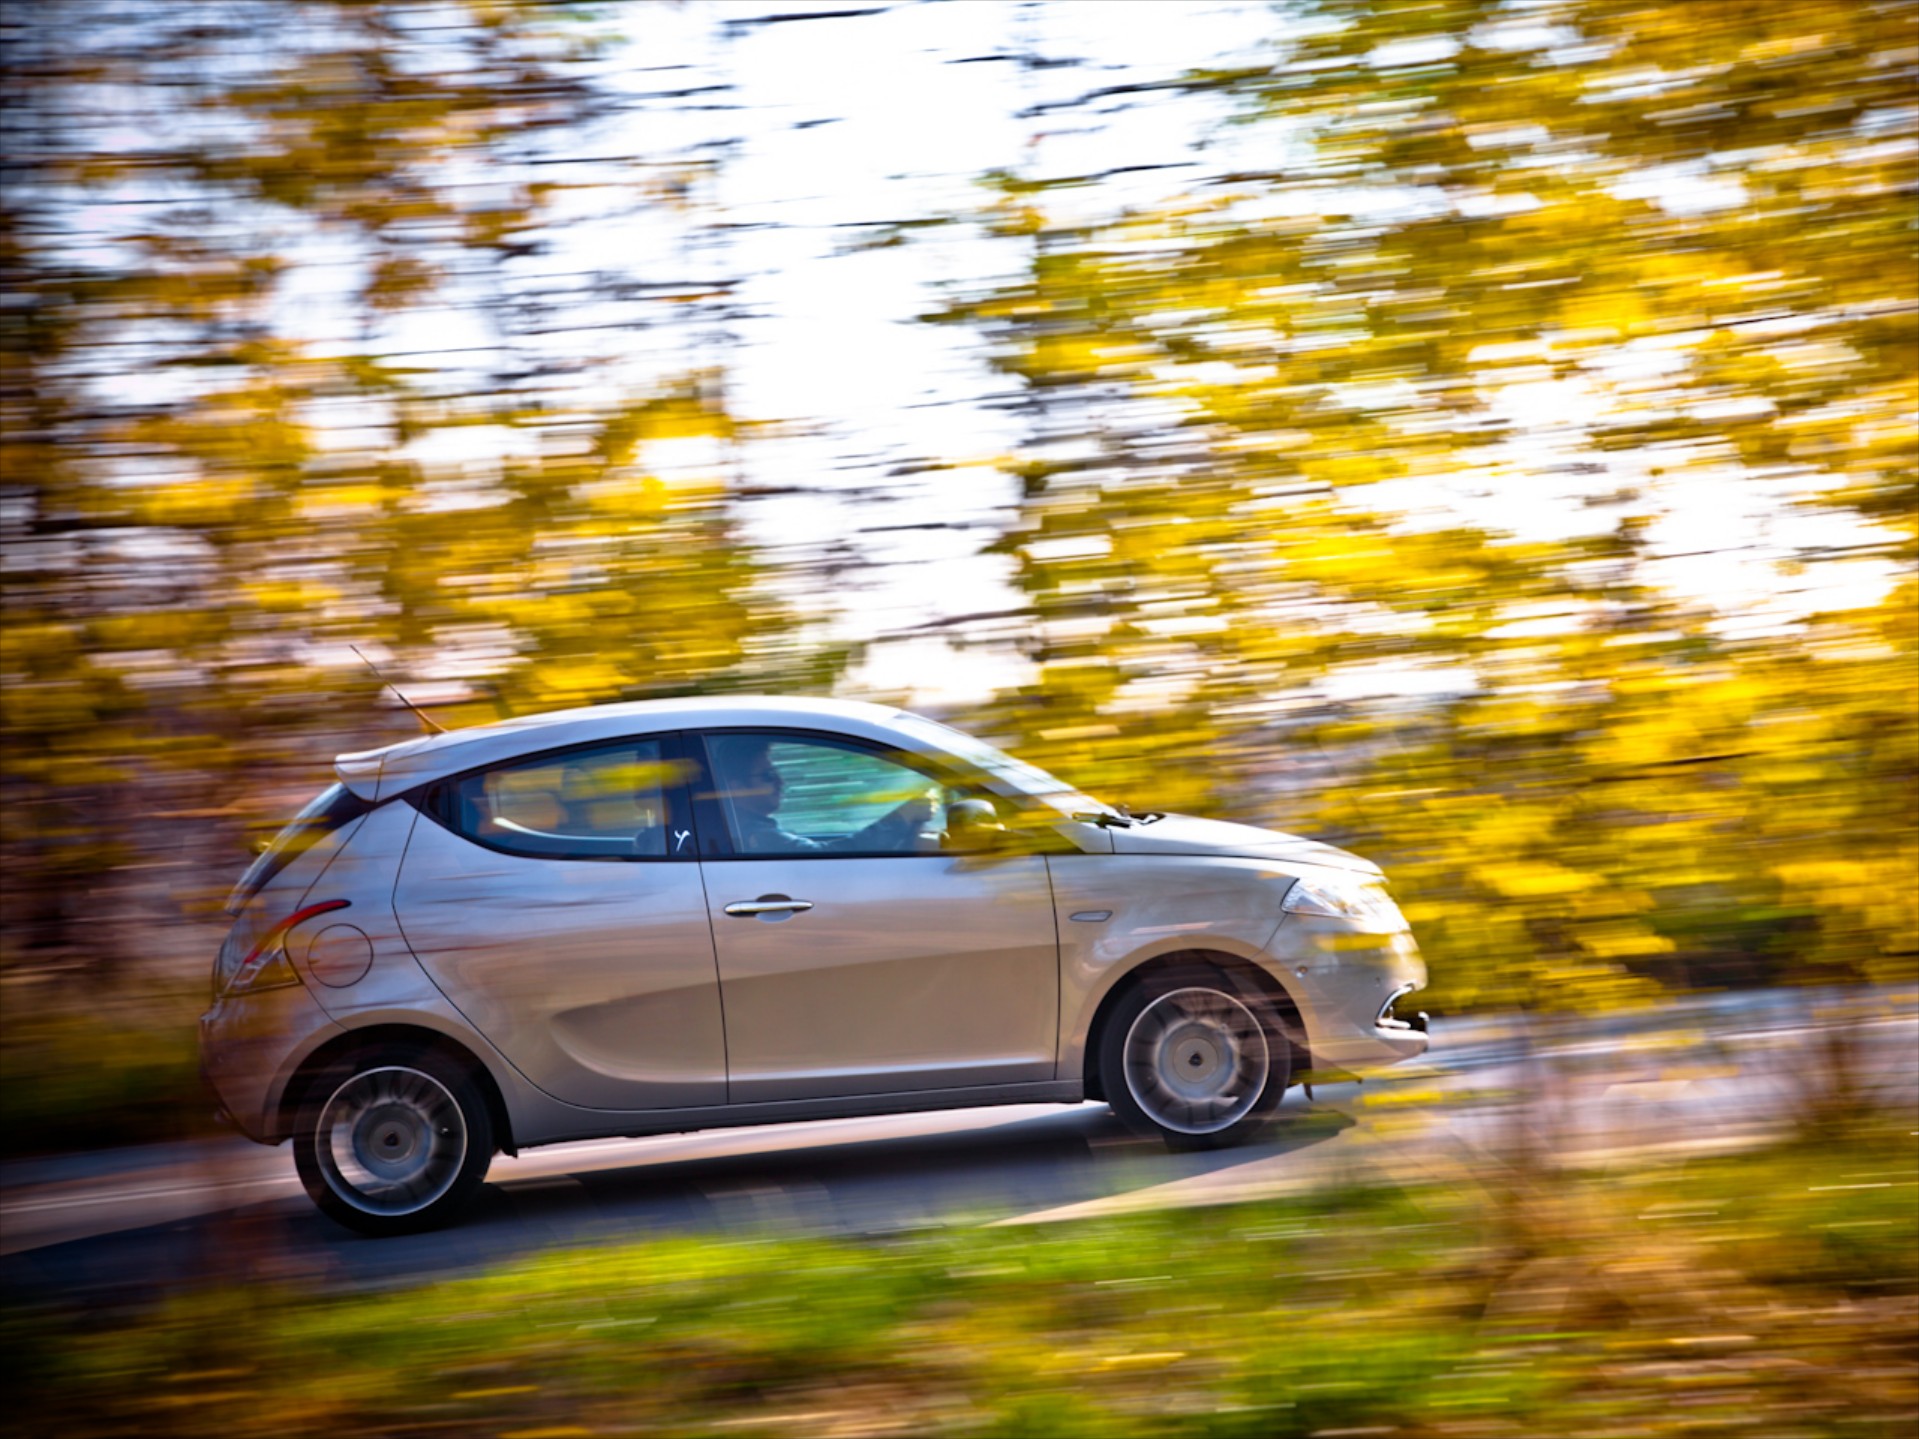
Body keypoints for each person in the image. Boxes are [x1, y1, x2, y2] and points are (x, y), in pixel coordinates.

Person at [718, 738, 936, 855]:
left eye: (776, 773)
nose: (781, 782)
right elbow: (830, 856)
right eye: (768, 776)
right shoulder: (755, 836)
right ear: (738, 788)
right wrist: (903, 816)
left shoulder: (747, 830)